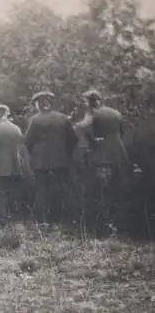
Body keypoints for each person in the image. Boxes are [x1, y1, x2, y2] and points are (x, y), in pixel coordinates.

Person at [74, 89, 130, 236]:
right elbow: (121, 134)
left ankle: (105, 229)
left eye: (85, 101)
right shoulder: (116, 113)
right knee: (116, 192)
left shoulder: (92, 113)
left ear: (91, 102)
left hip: (102, 159)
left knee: (101, 193)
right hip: (119, 156)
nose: (84, 104)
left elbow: (83, 127)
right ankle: (119, 227)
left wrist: (93, 142)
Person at [24, 91, 78, 224]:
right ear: (49, 103)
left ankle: (43, 220)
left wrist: (34, 153)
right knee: (63, 187)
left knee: (41, 188)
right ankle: (66, 218)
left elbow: (27, 141)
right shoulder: (63, 118)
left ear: (39, 104)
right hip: (61, 159)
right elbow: (74, 139)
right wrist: (66, 153)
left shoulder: (35, 120)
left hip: (40, 160)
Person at [0, 104, 25, 225]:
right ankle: (16, 220)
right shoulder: (17, 129)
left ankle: (3, 223)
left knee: (1, 196)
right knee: (13, 194)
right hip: (16, 167)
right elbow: (21, 149)